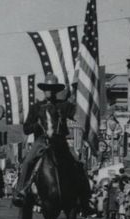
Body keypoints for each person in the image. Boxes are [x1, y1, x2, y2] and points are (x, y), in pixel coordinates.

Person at [12, 75, 87, 207]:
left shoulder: (64, 105)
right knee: (28, 162)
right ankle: (21, 190)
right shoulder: (36, 107)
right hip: (41, 141)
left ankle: (85, 197)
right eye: (47, 88)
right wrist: (37, 125)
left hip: (60, 141)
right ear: (43, 90)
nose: (49, 91)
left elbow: (78, 114)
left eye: (52, 89)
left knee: (77, 162)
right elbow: (26, 129)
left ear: (55, 90)